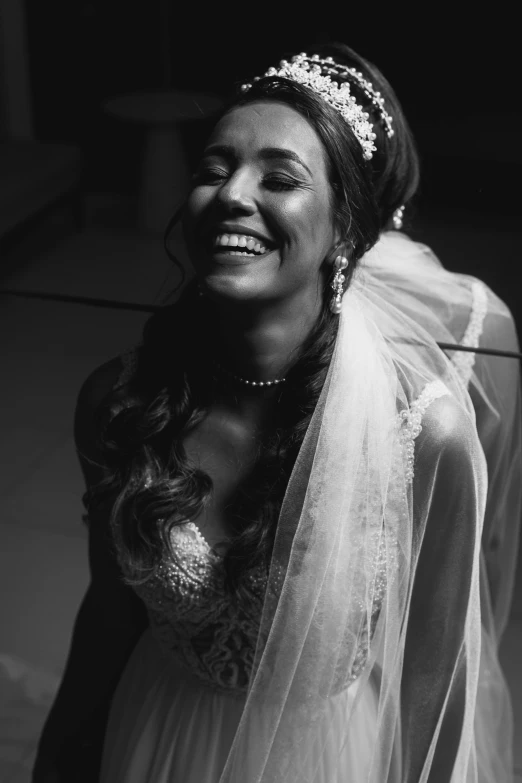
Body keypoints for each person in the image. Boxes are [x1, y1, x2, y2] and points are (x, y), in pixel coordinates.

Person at [32, 43, 520, 782]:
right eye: (213, 168)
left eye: (280, 177)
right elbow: (110, 615)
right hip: (156, 738)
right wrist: (59, 759)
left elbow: (434, 685)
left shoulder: (423, 436)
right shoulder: (118, 402)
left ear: (346, 233)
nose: (232, 193)